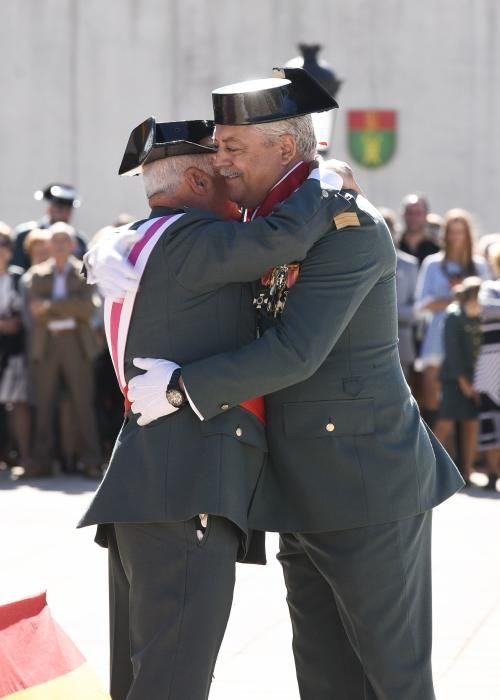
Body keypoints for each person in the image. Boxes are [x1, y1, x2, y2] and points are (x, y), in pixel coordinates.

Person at [98, 71, 464, 700]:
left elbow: (296, 350)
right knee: (324, 679)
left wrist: (185, 388)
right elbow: (184, 232)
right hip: (297, 491)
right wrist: (116, 243)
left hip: (364, 487)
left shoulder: (347, 225)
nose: (220, 160)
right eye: (217, 146)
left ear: (287, 149)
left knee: (392, 677)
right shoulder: (261, 219)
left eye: (234, 147)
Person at [79, 105, 353, 699]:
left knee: (144, 679)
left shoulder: (135, 240)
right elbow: (282, 236)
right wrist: (320, 177)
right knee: (173, 681)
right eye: (221, 168)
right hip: (186, 491)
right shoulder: (195, 237)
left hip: (150, 489)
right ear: (198, 181)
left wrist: (96, 243)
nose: (233, 175)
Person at [23, 222, 103, 478]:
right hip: (47, 343)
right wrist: (65, 307)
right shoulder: (37, 273)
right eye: (54, 241)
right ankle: (41, 461)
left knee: (83, 404)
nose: (58, 246)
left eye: (63, 241)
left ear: (72, 245)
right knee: (43, 404)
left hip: (75, 343)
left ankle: (92, 460)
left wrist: (50, 306)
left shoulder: (82, 270)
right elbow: (34, 311)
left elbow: (87, 307)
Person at [414, 208, 490, 427]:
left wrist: (463, 296)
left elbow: (484, 305)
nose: (456, 237)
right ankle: (438, 460)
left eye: (461, 232)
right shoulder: (432, 264)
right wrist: (458, 297)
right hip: (437, 339)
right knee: (433, 404)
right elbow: (421, 305)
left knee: (470, 408)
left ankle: (465, 462)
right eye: (452, 232)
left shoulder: (480, 266)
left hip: (471, 343)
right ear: (445, 235)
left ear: (468, 234)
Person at [433, 277, 483, 484]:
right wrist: (463, 382)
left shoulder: (480, 317)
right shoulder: (453, 316)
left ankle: (467, 471)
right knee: (445, 423)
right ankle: (430, 468)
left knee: (471, 424)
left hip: (475, 379)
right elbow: (452, 353)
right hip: (454, 379)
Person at [0, 224, 31, 469]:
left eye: (3, 244)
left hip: (14, 350)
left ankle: (25, 455)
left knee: (18, 404)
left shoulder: (19, 276)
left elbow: (30, 312)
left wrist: (17, 322)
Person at [380, 207, 419, 380]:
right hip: (372, 343)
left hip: (402, 342)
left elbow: (416, 308)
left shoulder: (409, 264)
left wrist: (384, 313)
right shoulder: (363, 262)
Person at [12, 184, 87, 270]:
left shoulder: (78, 240)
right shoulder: (25, 235)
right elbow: (18, 270)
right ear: (50, 208)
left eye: (68, 209)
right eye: (60, 208)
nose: (64, 213)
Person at [474, 241, 500, 490]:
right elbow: (486, 309)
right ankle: (492, 474)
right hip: (491, 360)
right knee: (490, 417)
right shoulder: (490, 287)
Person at [398, 193, 440, 265]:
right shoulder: (393, 247)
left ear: (426, 215)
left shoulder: (437, 251)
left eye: (418, 213)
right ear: (403, 215)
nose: (413, 217)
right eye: (410, 212)